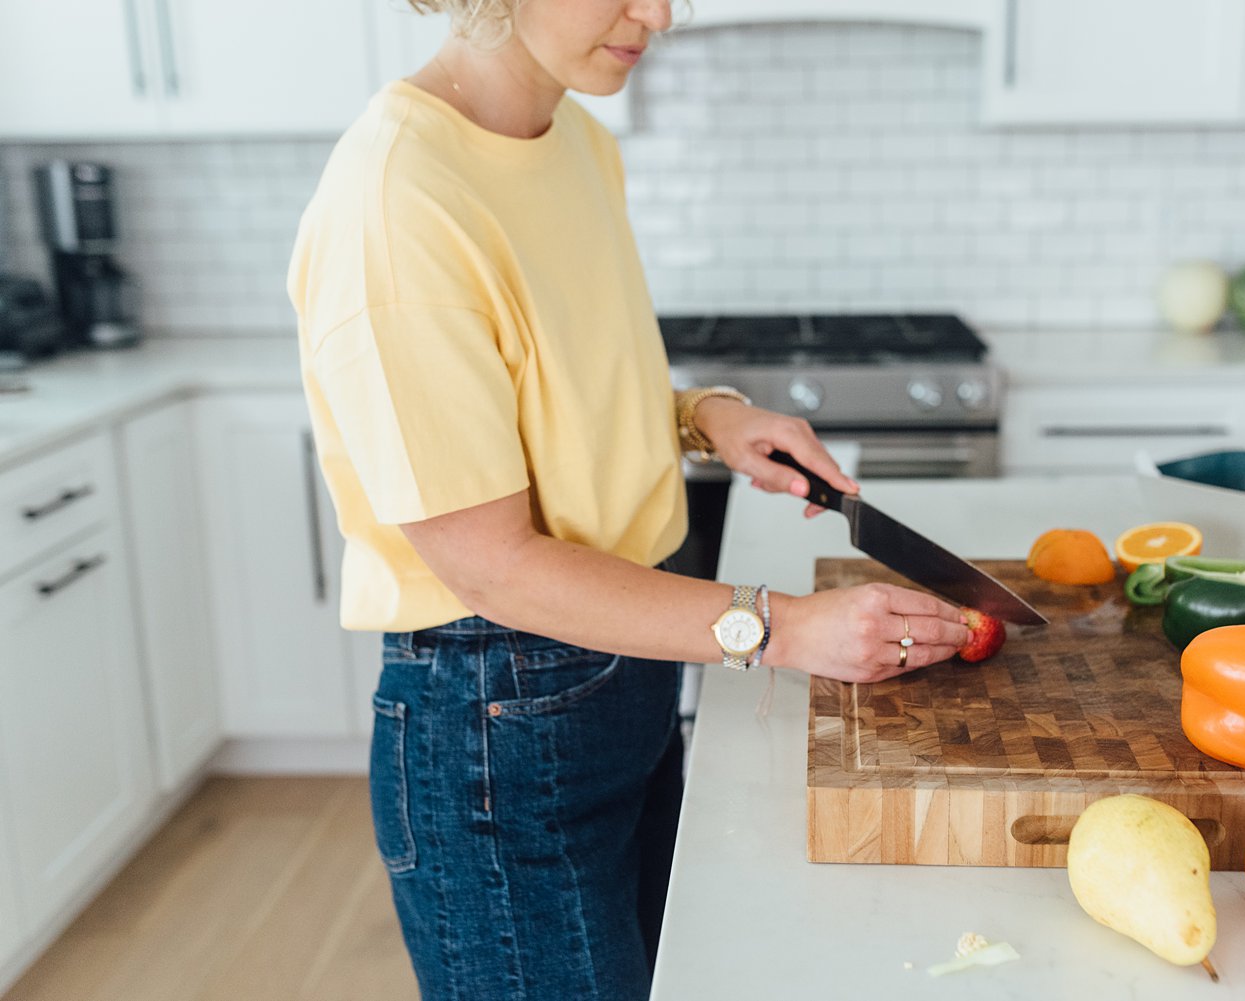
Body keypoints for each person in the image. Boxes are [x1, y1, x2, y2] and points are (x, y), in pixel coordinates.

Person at [287, 1, 970, 998]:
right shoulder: (395, 206)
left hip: (630, 661)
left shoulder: (573, 138)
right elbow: (492, 566)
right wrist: (785, 628)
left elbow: (562, 383)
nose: (658, 13)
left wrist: (705, 415)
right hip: (497, 715)